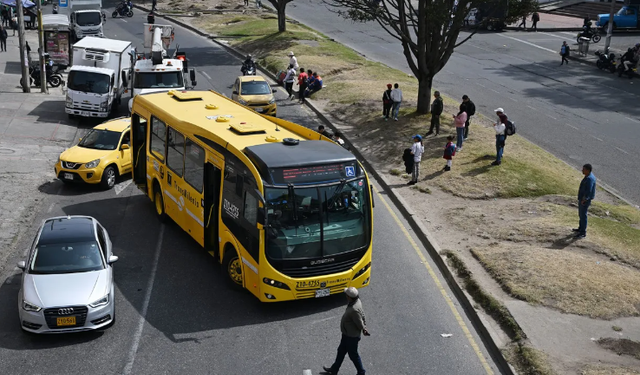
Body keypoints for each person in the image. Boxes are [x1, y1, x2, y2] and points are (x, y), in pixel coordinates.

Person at [323, 287, 369, 375]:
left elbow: (359, 322)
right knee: (341, 351)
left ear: (349, 297)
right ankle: (334, 369)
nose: (345, 296)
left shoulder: (354, 310)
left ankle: (361, 372)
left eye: (346, 295)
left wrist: (363, 328)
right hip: (346, 334)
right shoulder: (357, 301)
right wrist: (365, 327)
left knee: (353, 355)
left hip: (351, 337)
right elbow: (363, 314)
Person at [573, 164, 596, 239]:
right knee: (581, 214)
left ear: (588, 170)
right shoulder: (588, 176)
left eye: (583, 169)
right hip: (582, 199)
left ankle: (583, 232)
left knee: (583, 215)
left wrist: (584, 199)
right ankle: (580, 228)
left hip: (585, 200)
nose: (582, 170)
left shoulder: (589, 179)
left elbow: (588, 190)